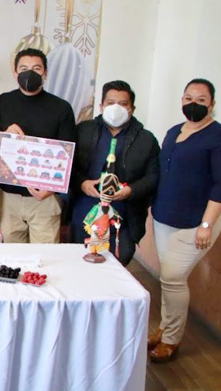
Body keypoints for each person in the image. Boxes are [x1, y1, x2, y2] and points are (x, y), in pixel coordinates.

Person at [148, 79, 221, 363]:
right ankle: (165, 327)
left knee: (173, 278)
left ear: (212, 104)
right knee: (168, 279)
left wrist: (207, 225)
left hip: (196, 223)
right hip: (165, 217)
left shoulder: (216, 136)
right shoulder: (174, 131)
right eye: (188, 98)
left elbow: (219, 185)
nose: (193, 104)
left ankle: (171, 339)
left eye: (201, 100)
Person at [0, 48, 76, 244]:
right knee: (12, 255)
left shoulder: (61, 108)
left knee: (45, 255)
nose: (29, 73)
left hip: (45, 198)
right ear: (15, 73)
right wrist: (4, 132)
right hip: (10, 196)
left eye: (36, 68)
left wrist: (52, 188)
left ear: (45, 73)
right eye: (24, 68)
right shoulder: (3, 102)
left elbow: (69, 153)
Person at [70, 80, 159, 266]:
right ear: (101, 106)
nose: (116, 108)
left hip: (123, 217)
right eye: (110, 103)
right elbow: (68, 166)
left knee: (115, 267)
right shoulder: (83, 130)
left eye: (123, 103)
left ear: (132, 108)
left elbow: (153, 176)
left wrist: (131, 190)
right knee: (80, 265)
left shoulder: (146, 139)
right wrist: (82, 183)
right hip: (84, 212)